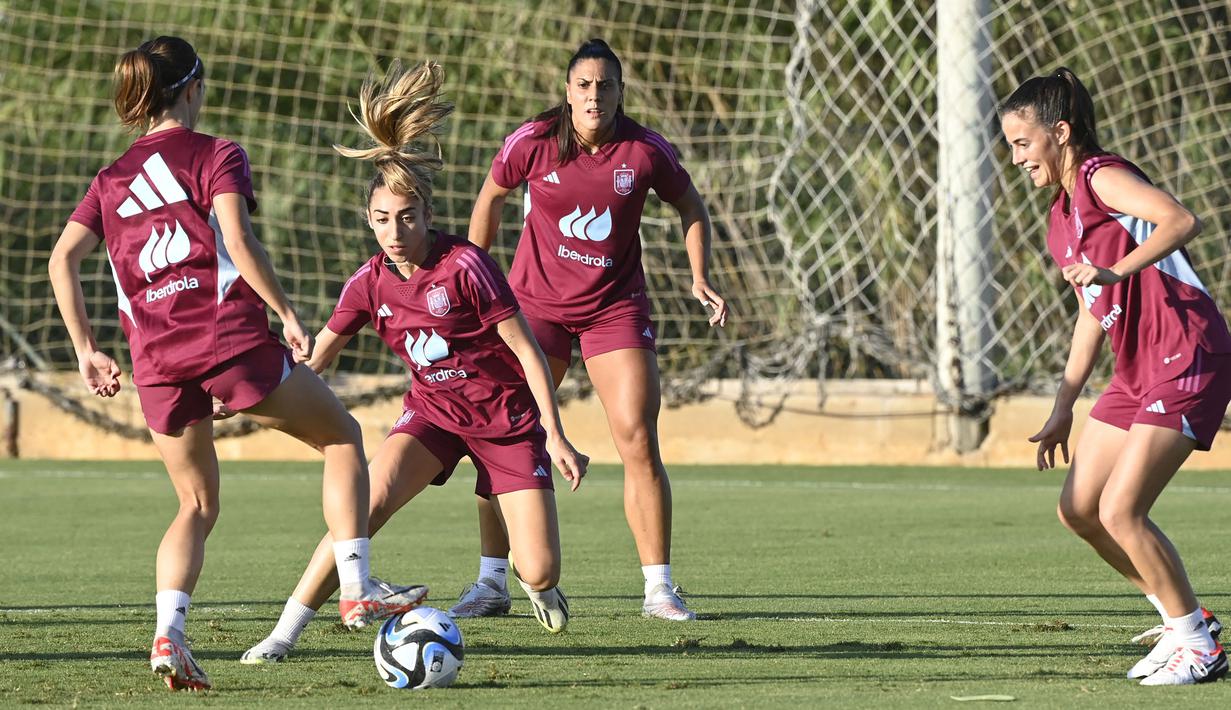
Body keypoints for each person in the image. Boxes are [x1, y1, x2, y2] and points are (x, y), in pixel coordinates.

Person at [47, 36, 422, 691]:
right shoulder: (216, 153)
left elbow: (62, 260)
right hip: (226, 337)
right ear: (193, 90)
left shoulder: (109, 180)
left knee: (194, 503)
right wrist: (286, 311)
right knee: (341, 438)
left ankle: (169, 633)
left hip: (156, 360)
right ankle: (357, 589)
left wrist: (86, 349)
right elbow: (239, 240)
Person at [240, 60, 588, 664]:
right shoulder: (368, 282)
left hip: (505, 422)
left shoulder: (466, 267)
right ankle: (282, 634)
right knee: (361, 510)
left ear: (427, 215)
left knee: (538, 567)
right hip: (432, 417)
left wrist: (554, 434)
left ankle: (537, 585)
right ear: (368, 221)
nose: (394, 231)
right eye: (382, 220)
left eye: (406, 218)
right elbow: (318, 355)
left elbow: (527, 348)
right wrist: (259, 391)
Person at [457, 38, 729, 623]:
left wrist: (699, 276)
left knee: (636, 436)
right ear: (568, 92)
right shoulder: (531, 142)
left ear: (619, 93)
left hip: (616, 309)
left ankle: (659, 589)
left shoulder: (645, 149)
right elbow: (492, 196)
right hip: (536, 309)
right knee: (504, 435)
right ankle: (490, 582)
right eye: (584, 85)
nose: (594, 95)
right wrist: (474, 280)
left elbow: (692, 207)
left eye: (605, 86)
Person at [1000, 67, 1231, 686]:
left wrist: (1116, 270)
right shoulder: (1060, 219)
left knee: (1121, 510)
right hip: (1135, 371)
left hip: (1188, 352)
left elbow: (1181, 220)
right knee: (1078, 510)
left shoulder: (1103, 177)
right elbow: (1092, 313)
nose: (1017, 159)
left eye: (1023, 144)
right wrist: (1063, 405)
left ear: (1061, 133)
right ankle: (1186, 621)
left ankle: (1199, 649)